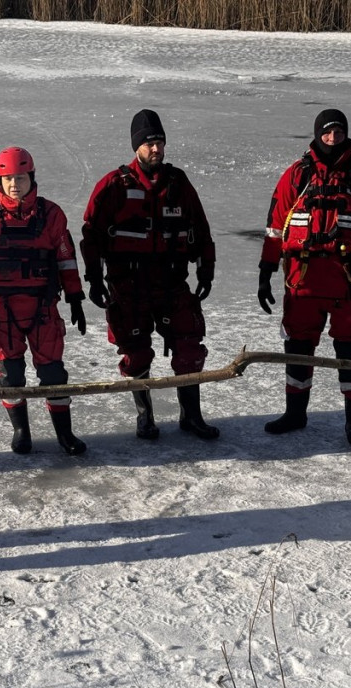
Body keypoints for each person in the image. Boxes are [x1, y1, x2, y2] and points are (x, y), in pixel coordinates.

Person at [81, 108, 219, 441]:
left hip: (172, 283)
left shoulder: (178, 182)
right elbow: (92, 235)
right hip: (129, 285)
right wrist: (94, 278)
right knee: (136, 351)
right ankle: (145, 417)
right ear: (136, 147)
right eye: (148, 143)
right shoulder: (113, 185)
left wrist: (206, 267)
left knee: (189, 347)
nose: (155, 149)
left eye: (159, 141)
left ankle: (191, 415)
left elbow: (200, 229)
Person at [257, 109, 351, 445]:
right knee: (298, 348)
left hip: (348, 282)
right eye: (327, 133)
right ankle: (295, 413)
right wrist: (266, 271)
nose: (333, 139)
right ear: (317, 134)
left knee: (350, 349)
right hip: (303, 281)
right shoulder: (296, 176)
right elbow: (276, 228)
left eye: (338, 132)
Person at [0, 147, 88, 456]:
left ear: (31, 177)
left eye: (20, 177)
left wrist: (76, 298)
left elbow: (66, 259)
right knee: (11, 374)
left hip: (42, 307)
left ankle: (65, 434)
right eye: (7, 178)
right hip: (2, 310)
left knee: (53, 374)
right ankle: (21, 431)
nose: (14, 184)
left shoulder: (51, 214)